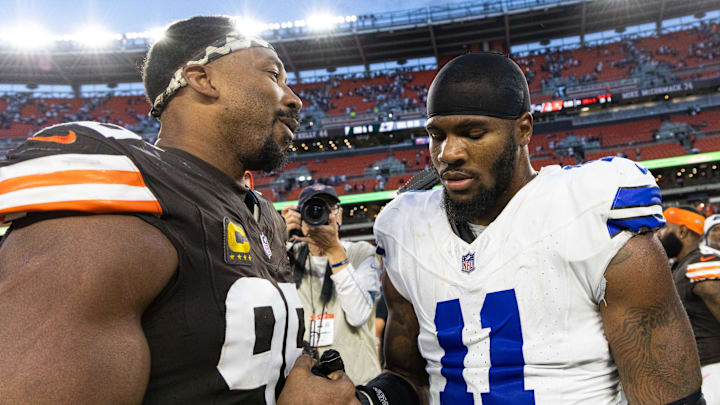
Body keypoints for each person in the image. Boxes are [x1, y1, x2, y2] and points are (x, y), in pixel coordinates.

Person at [0, 16, 358, 405]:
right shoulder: (127, 192)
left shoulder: (264, 215)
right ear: (202, 79)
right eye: (273, 75)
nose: (294, 98)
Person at [365, 53, 704, 405]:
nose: (448, 153)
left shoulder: (590, 212)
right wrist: (370, 399)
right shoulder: (406, 228)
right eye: (437, 135)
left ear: (523, 129)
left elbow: (670, 397)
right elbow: (407, 375)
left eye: (472, 133)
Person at [281, 184, 382, 384]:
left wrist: (333, 249)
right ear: (300, 217)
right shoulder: (287, 257)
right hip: (308, 383)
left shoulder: (361, 253)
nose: (320, 215)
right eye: (313, 209)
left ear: (340, 216)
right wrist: (277, 236)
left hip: (357, 381)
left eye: (328, 208)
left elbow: (358, 315)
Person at [661, 207, 720, 404]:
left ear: (682, 231)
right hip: (697, 370)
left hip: (714, 367)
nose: (659, 235)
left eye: (664, 228)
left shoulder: (700, 265)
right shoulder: (680, 266)